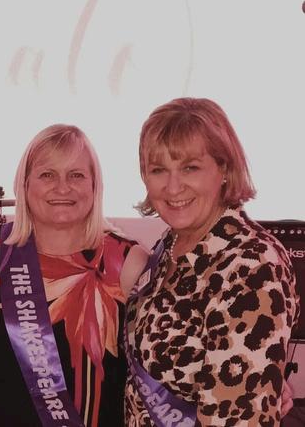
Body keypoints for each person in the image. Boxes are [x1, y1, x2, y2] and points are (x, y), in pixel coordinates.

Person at [124, 97, 299, 426]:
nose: (173, 186)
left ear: (224, 169)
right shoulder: (170, 245)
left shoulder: (251, 266)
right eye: (159, 170)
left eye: (190, 167)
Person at [0, 124, 148, 427]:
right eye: (47, 175)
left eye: (76, 175)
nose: (63, 188)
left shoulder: (127, 261)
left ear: (95, 185)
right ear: (25, 184)